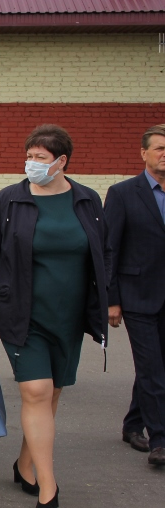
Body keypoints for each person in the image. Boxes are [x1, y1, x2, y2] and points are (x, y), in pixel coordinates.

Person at [0, 124, 109, 508]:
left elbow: (102, 254)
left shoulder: (87, 201)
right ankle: (48, 485)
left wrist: (109, 302)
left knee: (52, 393)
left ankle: (25, 463)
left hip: (70, 315)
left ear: (61, 162)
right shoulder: (12, 200)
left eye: (40, 158)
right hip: (19, 313)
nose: (31, 164)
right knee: (37, 392)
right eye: (28, 156)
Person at [106, 124, 165, 466]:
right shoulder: (123, 193)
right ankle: (159, 440)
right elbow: (110, 247)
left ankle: (132, 425)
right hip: (138, 295)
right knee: (152, 368)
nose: (163, 154)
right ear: (144, 153)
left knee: (156, 368)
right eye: (158, 148)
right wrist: (112, 299)